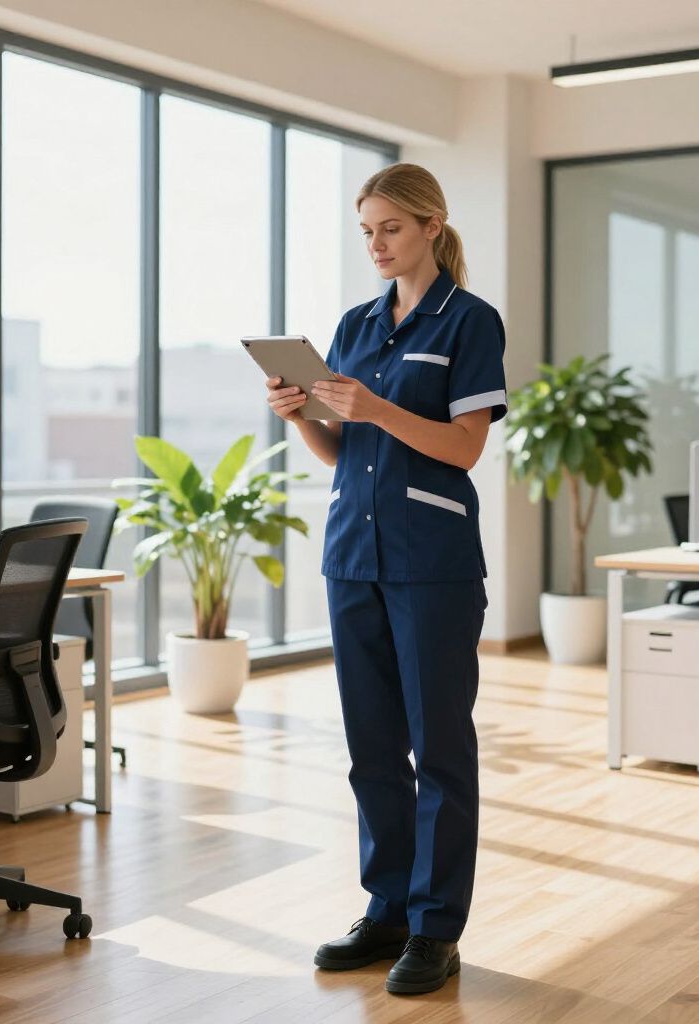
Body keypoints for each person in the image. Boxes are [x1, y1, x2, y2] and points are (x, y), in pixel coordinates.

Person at [265, 162, 506, 996]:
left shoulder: (470, 321)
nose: (376, 243)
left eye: (390, 229)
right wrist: (306, 418)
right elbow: (344, 450)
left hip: (431, 564)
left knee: (439, 748)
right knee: (371, 746)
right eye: (366, 230)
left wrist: (379, 409)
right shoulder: (356, 324)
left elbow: (465, 447)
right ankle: (389, 908)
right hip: (353, 557)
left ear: (431, 227)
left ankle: (438, 929)